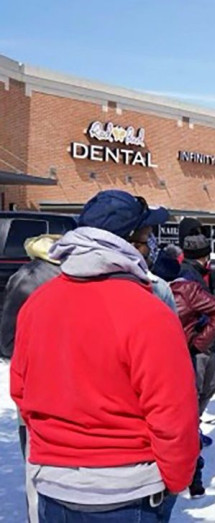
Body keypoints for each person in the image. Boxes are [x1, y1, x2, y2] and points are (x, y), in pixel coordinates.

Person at [11, 190, 199, 521]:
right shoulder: (150, 313)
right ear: (128, 243)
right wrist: (176, 479)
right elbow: (173, 414)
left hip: (55, 487)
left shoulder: (36, 305)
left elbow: (22, 393)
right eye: (147, 236)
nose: (152, 244)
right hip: (128, 492)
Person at [152, 251, 215, 499]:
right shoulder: (147, 291)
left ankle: (194, 476)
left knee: (189, 416)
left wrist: (199, 341)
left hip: (187, 357)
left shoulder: (187, 291)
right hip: (158, 361)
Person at [0, 234, 63, 523]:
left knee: (36, 469)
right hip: (83, 388)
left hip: (37, 390)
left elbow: (7, 341)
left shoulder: (27, 277)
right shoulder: (88, 275)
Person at [179, 235, 215, 410]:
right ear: (205, 256)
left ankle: (195, 426)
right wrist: (206, 338)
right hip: (197, 340)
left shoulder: (195, 273)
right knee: (198, 388)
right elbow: (199, 310)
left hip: (200, 339)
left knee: (211, 384)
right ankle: (192, 429)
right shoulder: (190, 277)